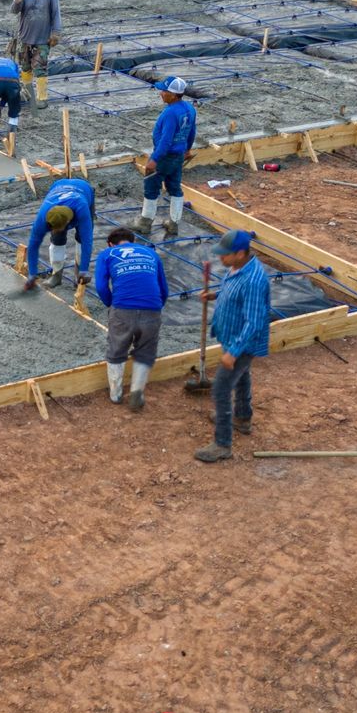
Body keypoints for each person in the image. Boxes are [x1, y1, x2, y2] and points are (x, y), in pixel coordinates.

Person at [196, 229, 272, 463]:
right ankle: (241, 417)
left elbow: (254, 322)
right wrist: (216, 296)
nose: (221, 258)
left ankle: (223, 444)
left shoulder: (254, 280)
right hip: (232, 338)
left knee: (220, 388)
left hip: (242, 343)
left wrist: (234, 352)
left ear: (240, 253)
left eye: (225, 255)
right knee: (242, 377)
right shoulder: (238, 268)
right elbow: (233, 292)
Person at [94, 227, 169, 412]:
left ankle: (116, 394)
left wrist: (112, 305)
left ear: (111, 243)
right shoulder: (151, 253)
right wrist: (156, 306)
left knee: (117, 349)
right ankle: (137, 391)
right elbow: (163, 288)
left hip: (123, 307)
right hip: (152, 307)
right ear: (132, 242)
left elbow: (101, 286)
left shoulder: (107, 254)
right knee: (145, 351)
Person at [136, 76, 198, 239]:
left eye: (164, 91)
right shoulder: (189, 109)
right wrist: (188, 149)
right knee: (175, 187)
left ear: (174, 94)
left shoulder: (170, 113)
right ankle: (174, 224)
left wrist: (154, 160)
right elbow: (192, 132)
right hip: (178, 156)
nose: (161, 93)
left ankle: (145, 223)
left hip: (164, 156)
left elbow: (166, 140)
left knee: (151, 187)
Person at [21, 178, 94, 291]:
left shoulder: (82, 209)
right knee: (57, 239)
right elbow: (33, 245)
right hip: (58, 186)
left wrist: (84, 269)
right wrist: (32, 274)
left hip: (83, 188)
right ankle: (56, 275)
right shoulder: (43, 216)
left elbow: (87, 241)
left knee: (81, 237)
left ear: (69, 222)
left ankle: (78, 274)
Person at [10, 0, 60, 102]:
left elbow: (56, 14)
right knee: (25, 68)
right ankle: (28, 95)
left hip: (42, 40)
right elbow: (14, 11)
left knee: (40, 69)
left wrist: (55, 33)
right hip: (25, 38)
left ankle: (42, 98)